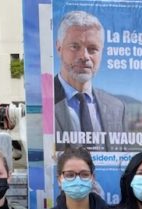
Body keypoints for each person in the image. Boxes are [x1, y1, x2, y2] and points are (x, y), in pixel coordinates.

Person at [54, 10, 126, 148]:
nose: (84, 56)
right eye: (75, 46)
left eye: (92, 49)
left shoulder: (117, 108)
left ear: (102, 52)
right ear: (59, 48)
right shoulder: (43, 102)